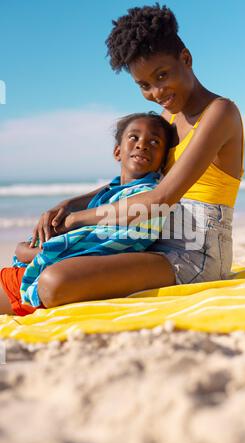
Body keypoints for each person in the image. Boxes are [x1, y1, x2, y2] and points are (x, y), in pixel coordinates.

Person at [2, 4, 244, 311]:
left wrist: (79, 218)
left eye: (162, 75)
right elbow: (138, 182)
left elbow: (163, 197)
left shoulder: (220, 112)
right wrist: (69, 205)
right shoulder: (168, 116)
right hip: (151, 236)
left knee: (53, 282)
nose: (157, 92)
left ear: (186, 58)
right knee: (39, 261)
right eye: (144, 85)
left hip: (196, 252)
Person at [0, 112, 173, 315]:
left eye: (154, 142)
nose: (142, 144)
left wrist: (29, 251)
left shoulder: (145, 195)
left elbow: (103, 245)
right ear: (117, 152)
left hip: (42, 279)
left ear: (163, 161)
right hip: (34, 273)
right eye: (134, 137)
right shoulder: (112, 191)